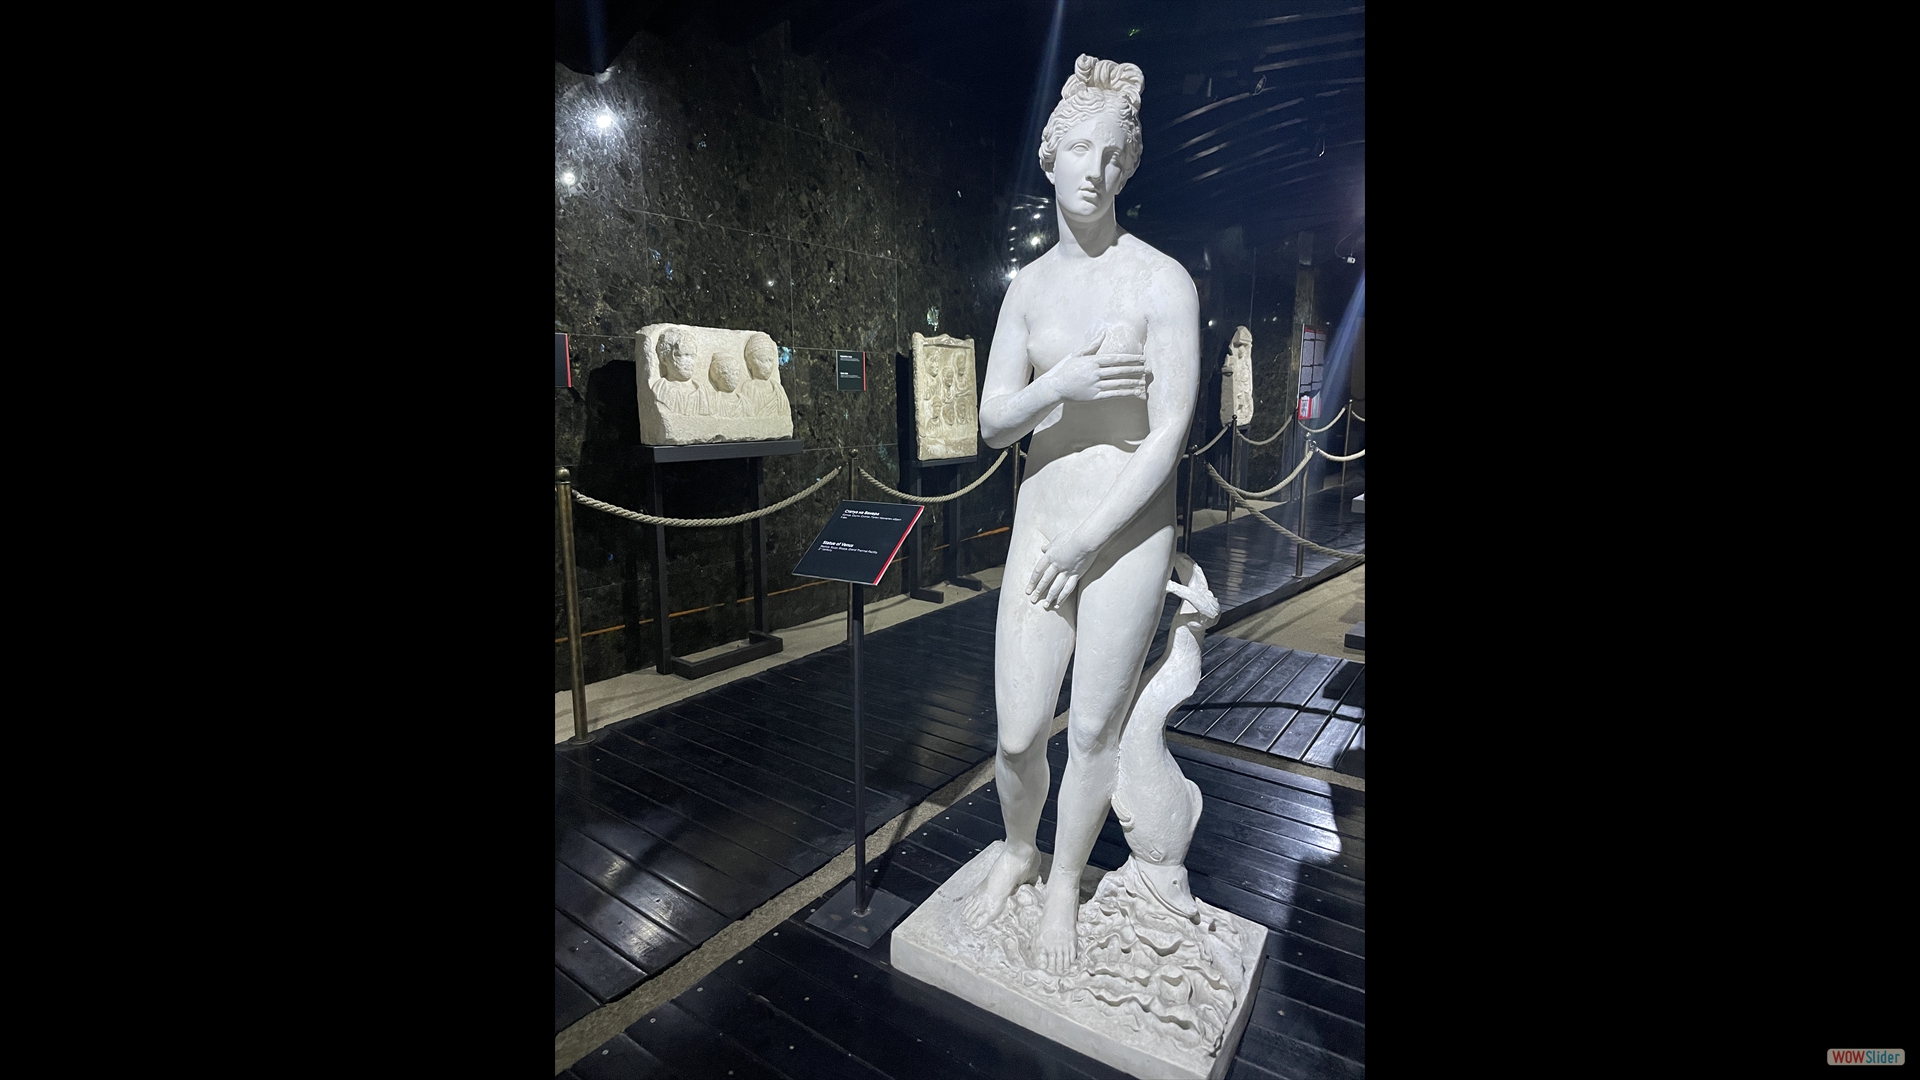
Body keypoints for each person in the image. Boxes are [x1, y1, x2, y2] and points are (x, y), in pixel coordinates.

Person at [966, 54, 1199, 976]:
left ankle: (1064, 879)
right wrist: (1060, 382)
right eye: (1080, 151)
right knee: (1019, 732)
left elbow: (1169, 428)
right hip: (1041, 520)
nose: (1095, 172)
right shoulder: (1027, 289)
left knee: (1094, 726)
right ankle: (1018, 847)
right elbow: (992, 422)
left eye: (1114, 156)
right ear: (1050, 156)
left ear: (1128, 166)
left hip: (1125, 531)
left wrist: (1091, 536)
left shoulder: (1162, 282)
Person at [651, 328, 712, 416]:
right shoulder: (659, 390)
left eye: (692, 356)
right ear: (664, 359)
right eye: (682, 355)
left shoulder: (704, 394)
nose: (689, 362)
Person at [740, 332, 790, 419]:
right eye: (762, 360)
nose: (768, 366)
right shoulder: (749, 387)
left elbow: (785, 413)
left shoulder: (778, 389)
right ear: (749, 363)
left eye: (770, 360)